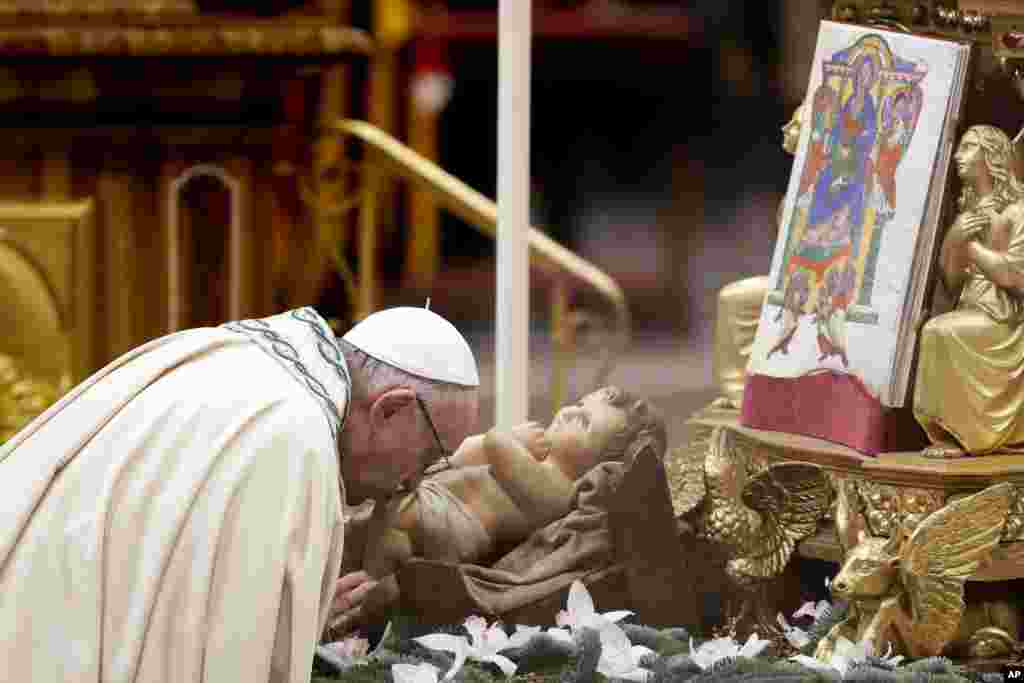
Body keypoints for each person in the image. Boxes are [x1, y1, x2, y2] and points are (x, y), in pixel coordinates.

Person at [0, 304, 480, 682]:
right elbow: (223, 659)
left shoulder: (243, 356)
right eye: (424, 458)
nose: (412, 484)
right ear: (390, 409)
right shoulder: (294, 440)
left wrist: (292, 616)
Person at [331, 385, 666, 633]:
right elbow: (465, 455)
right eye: (579, 404)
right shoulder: (537, 461)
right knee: (385, 509)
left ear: (601, 463)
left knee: (395, 524)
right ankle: (353, 576)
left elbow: (494, 444)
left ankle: (365, 592)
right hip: (437, 502)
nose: (569, 411)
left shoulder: (558, 489)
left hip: (454, 529)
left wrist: (507, 438)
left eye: (584, 422)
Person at [914, 125, 1024, 457]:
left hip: (1007, 320)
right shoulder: (969, 212)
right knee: (931, 329)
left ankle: (961, 436)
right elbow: (952, 280)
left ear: (991, 157)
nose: (959, 157)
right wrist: (953, 240)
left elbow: (1015, 275)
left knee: (938, 331)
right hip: (972, 306)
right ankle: (953, 432)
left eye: (967, 148)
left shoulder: (1017, 209)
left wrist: (971, 246)